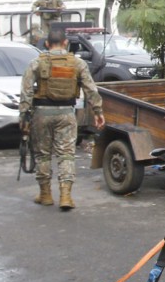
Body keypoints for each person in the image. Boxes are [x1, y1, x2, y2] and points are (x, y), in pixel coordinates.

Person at [20, 27, 105, 210]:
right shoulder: (77, 63)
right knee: (66, 154)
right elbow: (91, 89)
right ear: (66, 43)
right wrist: (98, 112)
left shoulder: (37, 62)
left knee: (43, 155)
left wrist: (24, 117)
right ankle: (66, 196)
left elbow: (26, 91)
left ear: (47, 44)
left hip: (41, 113)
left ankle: (45, 195)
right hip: (66, 113)